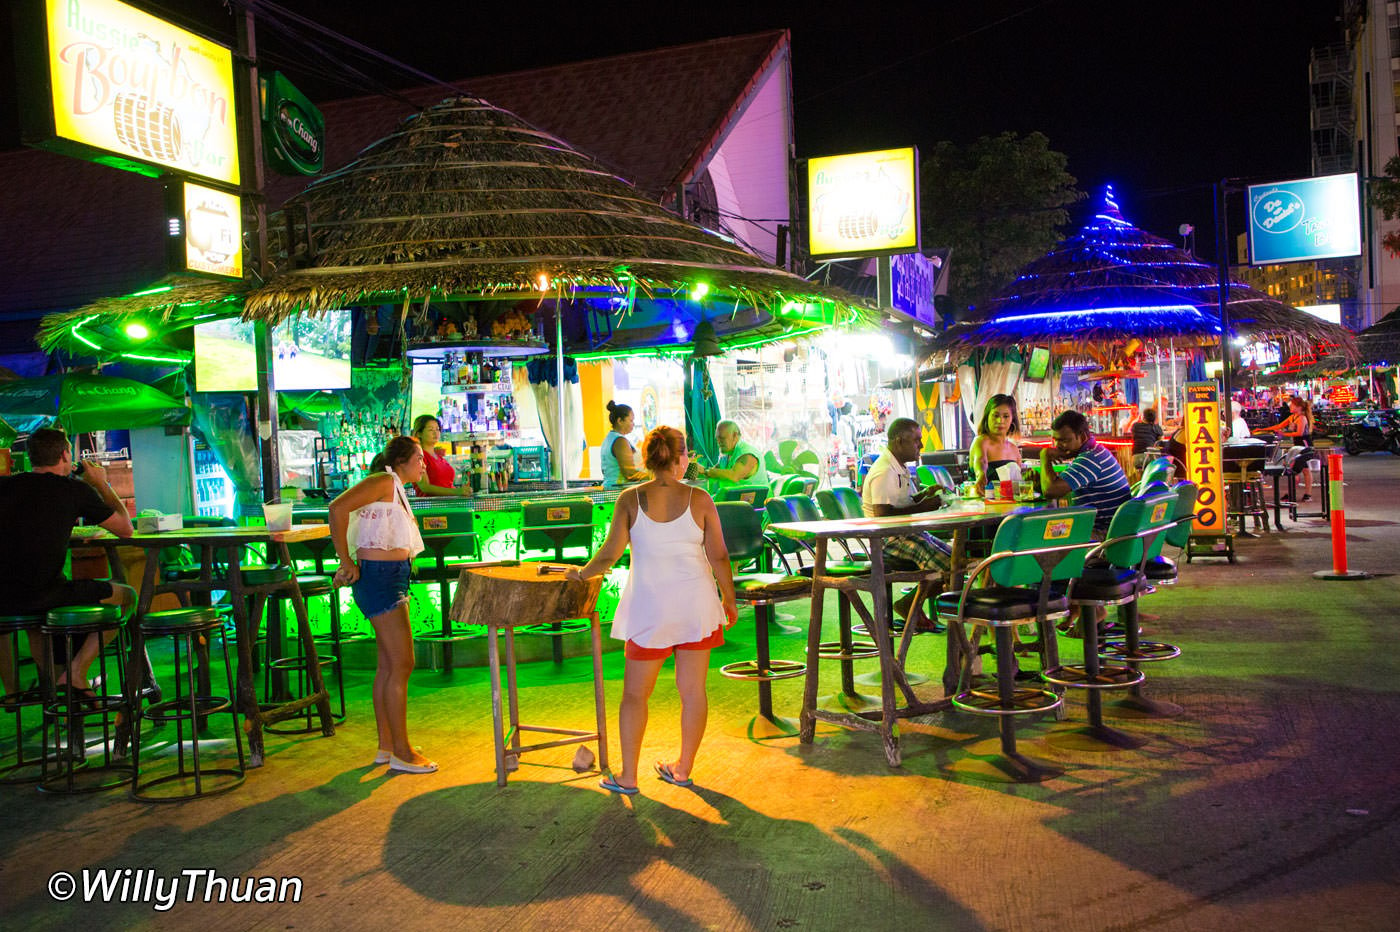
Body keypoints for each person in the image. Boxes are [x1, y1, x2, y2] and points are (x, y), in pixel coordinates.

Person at [568, 426, 737, 794]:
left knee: (634, 696)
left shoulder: (630, 499)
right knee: (693, 692)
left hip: (650, 610)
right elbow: (719, 555)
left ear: (647, 458)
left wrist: (581, 574)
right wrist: (729, 598)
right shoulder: (700, 498)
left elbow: (610, 554)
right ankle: (682, 769)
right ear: (680, 459)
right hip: (697, 609)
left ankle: (628, 777)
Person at [0, 428, 134, 702]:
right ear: (65, 455)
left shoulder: (4, 486)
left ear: (30, 457)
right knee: (127, 597)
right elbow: (125, 529)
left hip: (4, 597)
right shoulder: (74, 490)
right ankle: (76, 671)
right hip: (45, 593)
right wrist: (101, 483)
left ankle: (26, 694)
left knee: (37, 618)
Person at [328, 435, 436, 774]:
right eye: (419, 457)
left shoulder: (396, 488)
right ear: (401, 461)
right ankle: (402, 752)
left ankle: (387, 746)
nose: (424, 463)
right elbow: (337, 508)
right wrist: (345, 561)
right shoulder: (384, 480)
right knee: (403, 663)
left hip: (387, 577)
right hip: (381, 578)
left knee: (389, 665)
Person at [862, 417, 952, 619]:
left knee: (956, 560)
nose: (921, 445)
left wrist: (925, 494)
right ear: (899, 441)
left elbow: (904, 501)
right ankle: (909, 604)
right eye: (916, 440)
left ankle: (911, 603)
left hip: (907, 532)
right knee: (950, 566)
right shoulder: (884, 471)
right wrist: (922, 507)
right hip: (888, 539)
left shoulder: (899, 466)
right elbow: (882, 514)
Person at [1039, 410, 1132, 534]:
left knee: (1040, 536)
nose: (1057, 446)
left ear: (1082, 437)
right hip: (1113, 530)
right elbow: (1060, 489)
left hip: (1103, 535)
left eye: (1064, 440)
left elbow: (1050, 491)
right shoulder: (1095, 451)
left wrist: (1044, 456)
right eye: (1055, 440)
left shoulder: (1090, 459)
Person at [1259, 396, 1319, 502]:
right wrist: (1263, 429)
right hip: (1297, 446)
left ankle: (1306, 494)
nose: (1290, 406)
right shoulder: (1293, 417)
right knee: (1298, 470)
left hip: (1304, 445)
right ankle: (1293, 493)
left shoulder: (1302, 418)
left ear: (1298, 407)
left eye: (1292, 405)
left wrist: (1285, 433)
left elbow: (1299, 433)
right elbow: (1279, 425)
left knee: (1302, 470)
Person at [969, 394, 1023, 495]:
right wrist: (981, 475)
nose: (1000, 421)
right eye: (996, 416)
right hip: (983, 506)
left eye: (1006, 416)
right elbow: (981, 462)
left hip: (1011, 507)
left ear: (1012, 419)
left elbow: (1019, 481)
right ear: (987, 417)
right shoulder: (980, 441)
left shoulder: (1014, 449)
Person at [699, 419, 768, 493]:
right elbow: (712, 473)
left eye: (722, 438)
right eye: (717, 439)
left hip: (758, 503)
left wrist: (705, 471)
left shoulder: (747, 453)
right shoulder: (726, 458)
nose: (718, 443)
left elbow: (734, 476)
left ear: (735, 435)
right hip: (735, 502)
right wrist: (697, 470)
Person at [601, 401, 649, 489]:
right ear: (620, 421)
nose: (633, 424)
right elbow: (629, 473)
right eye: (631, 420)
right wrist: (654, 478)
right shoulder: (620, 441)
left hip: (609, 487)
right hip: (618, 490)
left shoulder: (609, 438)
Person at [411, 415, 461, 496]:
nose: (435, 433)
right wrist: (457, 492)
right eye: (431, 430)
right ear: (419, 433)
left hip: (449, 503)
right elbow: (425, 487)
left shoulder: (439, 457)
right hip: (432, 505)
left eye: (437, 429)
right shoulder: (418, 457)